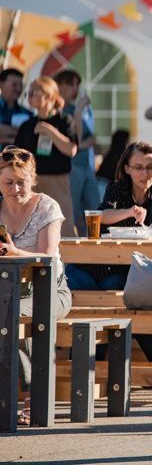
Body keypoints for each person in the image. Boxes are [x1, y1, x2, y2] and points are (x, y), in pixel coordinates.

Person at [0, 147, 72, 425]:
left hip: (50, 291)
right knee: (8, 309)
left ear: (33, 180)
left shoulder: (47, 207)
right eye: (8, 182)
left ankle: (33, 398)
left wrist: (15, 252)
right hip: (6, 291)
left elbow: (46, 255)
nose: (16, 188)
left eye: (22, 182)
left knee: (13, 312)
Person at [66, 141, 152, 290]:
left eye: (150, 167)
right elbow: (102, 216)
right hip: (92, 264)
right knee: (77, 282)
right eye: (139, 167)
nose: (145, 173)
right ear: (127, 169)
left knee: (112, 287)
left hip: (124, 270)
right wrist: (130, 211)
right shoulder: (117, 188)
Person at [14, 77, 78, 237]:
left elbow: (71, 149)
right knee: (30, 228)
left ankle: (66, 262)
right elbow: (17, 156)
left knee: (63, 226)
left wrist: (50, 131)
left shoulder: (65, 121)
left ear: (48, 96)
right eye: (28, 93)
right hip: (31, 182)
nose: (28, 96)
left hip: (58, 182)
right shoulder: (27, 125)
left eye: (33, 93)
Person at [53, 69, 100, 237]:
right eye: (70, 84)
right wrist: (79, 112)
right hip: (69, 168)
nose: (75, 88)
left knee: (97, 210)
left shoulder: (74, 108)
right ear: (58, 86)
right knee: (69, 214)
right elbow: (79, 140)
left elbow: (91, 140)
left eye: (77, 84)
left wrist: (78, 144)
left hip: (85, 167)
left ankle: (96, 255)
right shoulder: (55, 111)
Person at [0, 69, 33, 147]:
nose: (18, 89)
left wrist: (4, 137)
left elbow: (30, 137)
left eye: (21, 85)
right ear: (1, 84)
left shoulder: (27, 113)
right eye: (14, 84)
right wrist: (20, 132)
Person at [95, 130, 130, 197]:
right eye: (128, 141)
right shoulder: (121, 159)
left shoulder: (110, 156)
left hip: (99, 184)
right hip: (104, 187)